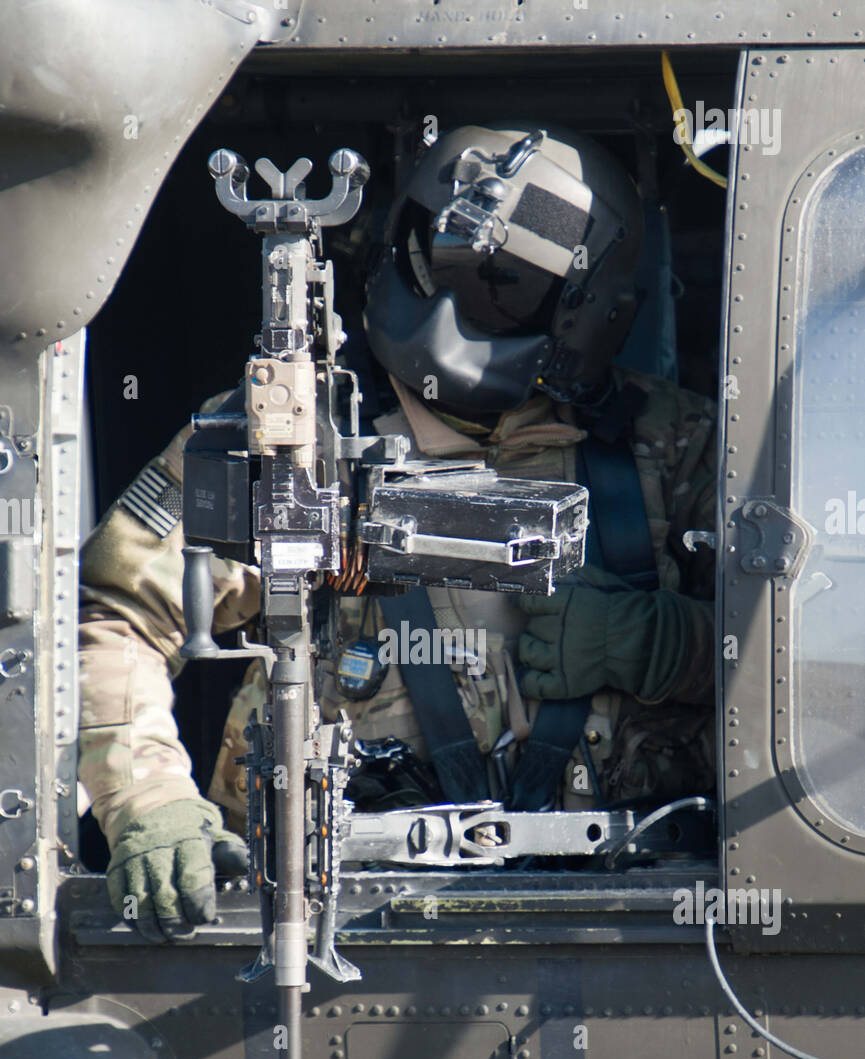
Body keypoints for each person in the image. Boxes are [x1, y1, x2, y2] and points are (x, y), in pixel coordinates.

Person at [77, 124, 716, 939]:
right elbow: (116, 615)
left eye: (504, 287)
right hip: (337, 915)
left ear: (586, 313)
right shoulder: (287, 433)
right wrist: (151, 802)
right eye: (436, 265)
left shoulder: (678, 445)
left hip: (631, 918)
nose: (455, 307)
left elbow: (806, 654)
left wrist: (671, 644)